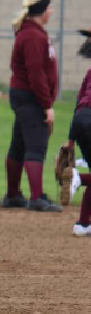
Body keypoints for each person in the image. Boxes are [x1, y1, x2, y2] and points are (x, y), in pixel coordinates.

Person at [0, 0, 61, 212]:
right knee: (36, 145)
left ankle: (13, 195)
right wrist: (47, 105)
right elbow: (36, 73)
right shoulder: (33, 36)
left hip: (26, 96)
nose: (51, 11)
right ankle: (37, 198)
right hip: (31, 98)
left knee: (19, 144)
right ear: (42, 11)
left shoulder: (33, 32)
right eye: (49, 7)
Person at [59, 29, 91, 236]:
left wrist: (71, 139)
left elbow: (78, 103)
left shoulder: (89, 72)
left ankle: (83, 225)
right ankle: (78, 177)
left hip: (81, 121)